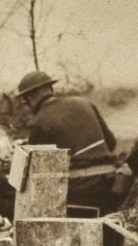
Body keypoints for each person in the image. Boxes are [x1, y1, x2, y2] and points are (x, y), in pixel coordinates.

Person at [16, 71, 123, 213]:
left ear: (31, 97)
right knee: (110, 229)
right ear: (50, 89)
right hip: (111, 181)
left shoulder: (38, 122)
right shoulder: (84, 102)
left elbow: (40, 174)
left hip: (80, 189)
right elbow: (111, 143)